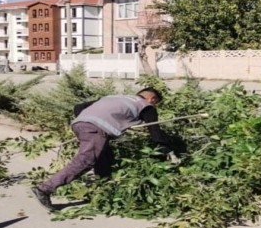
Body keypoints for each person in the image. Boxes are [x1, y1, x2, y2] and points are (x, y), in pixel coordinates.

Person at [30, 87, 179, 211]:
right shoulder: (146, 106)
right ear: (152, 99)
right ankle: (45, 189)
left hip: (80, 123)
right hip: (95, 129)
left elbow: (78, 107)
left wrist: (87, 124)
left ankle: (102, 190)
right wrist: (168, 149)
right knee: (86, 160)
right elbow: (155, 131)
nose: (155, 105)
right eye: (156, 103)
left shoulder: (115, 97)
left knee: (105, 156)